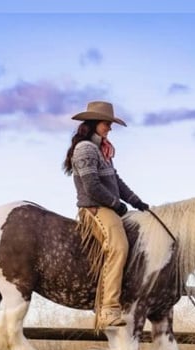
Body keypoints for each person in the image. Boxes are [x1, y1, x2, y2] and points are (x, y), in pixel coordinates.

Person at [63, 101, 149, 329]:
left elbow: (115, 181)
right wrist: (116, 204)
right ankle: (108, 309)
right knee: (118, 247)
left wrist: (136, 201)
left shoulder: (102, 150)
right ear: (93, 124)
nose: (109, 127)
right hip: (95, 208)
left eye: (110, 124)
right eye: (106, 123)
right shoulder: (86, 149)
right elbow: (91, 186)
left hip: (108, 207)